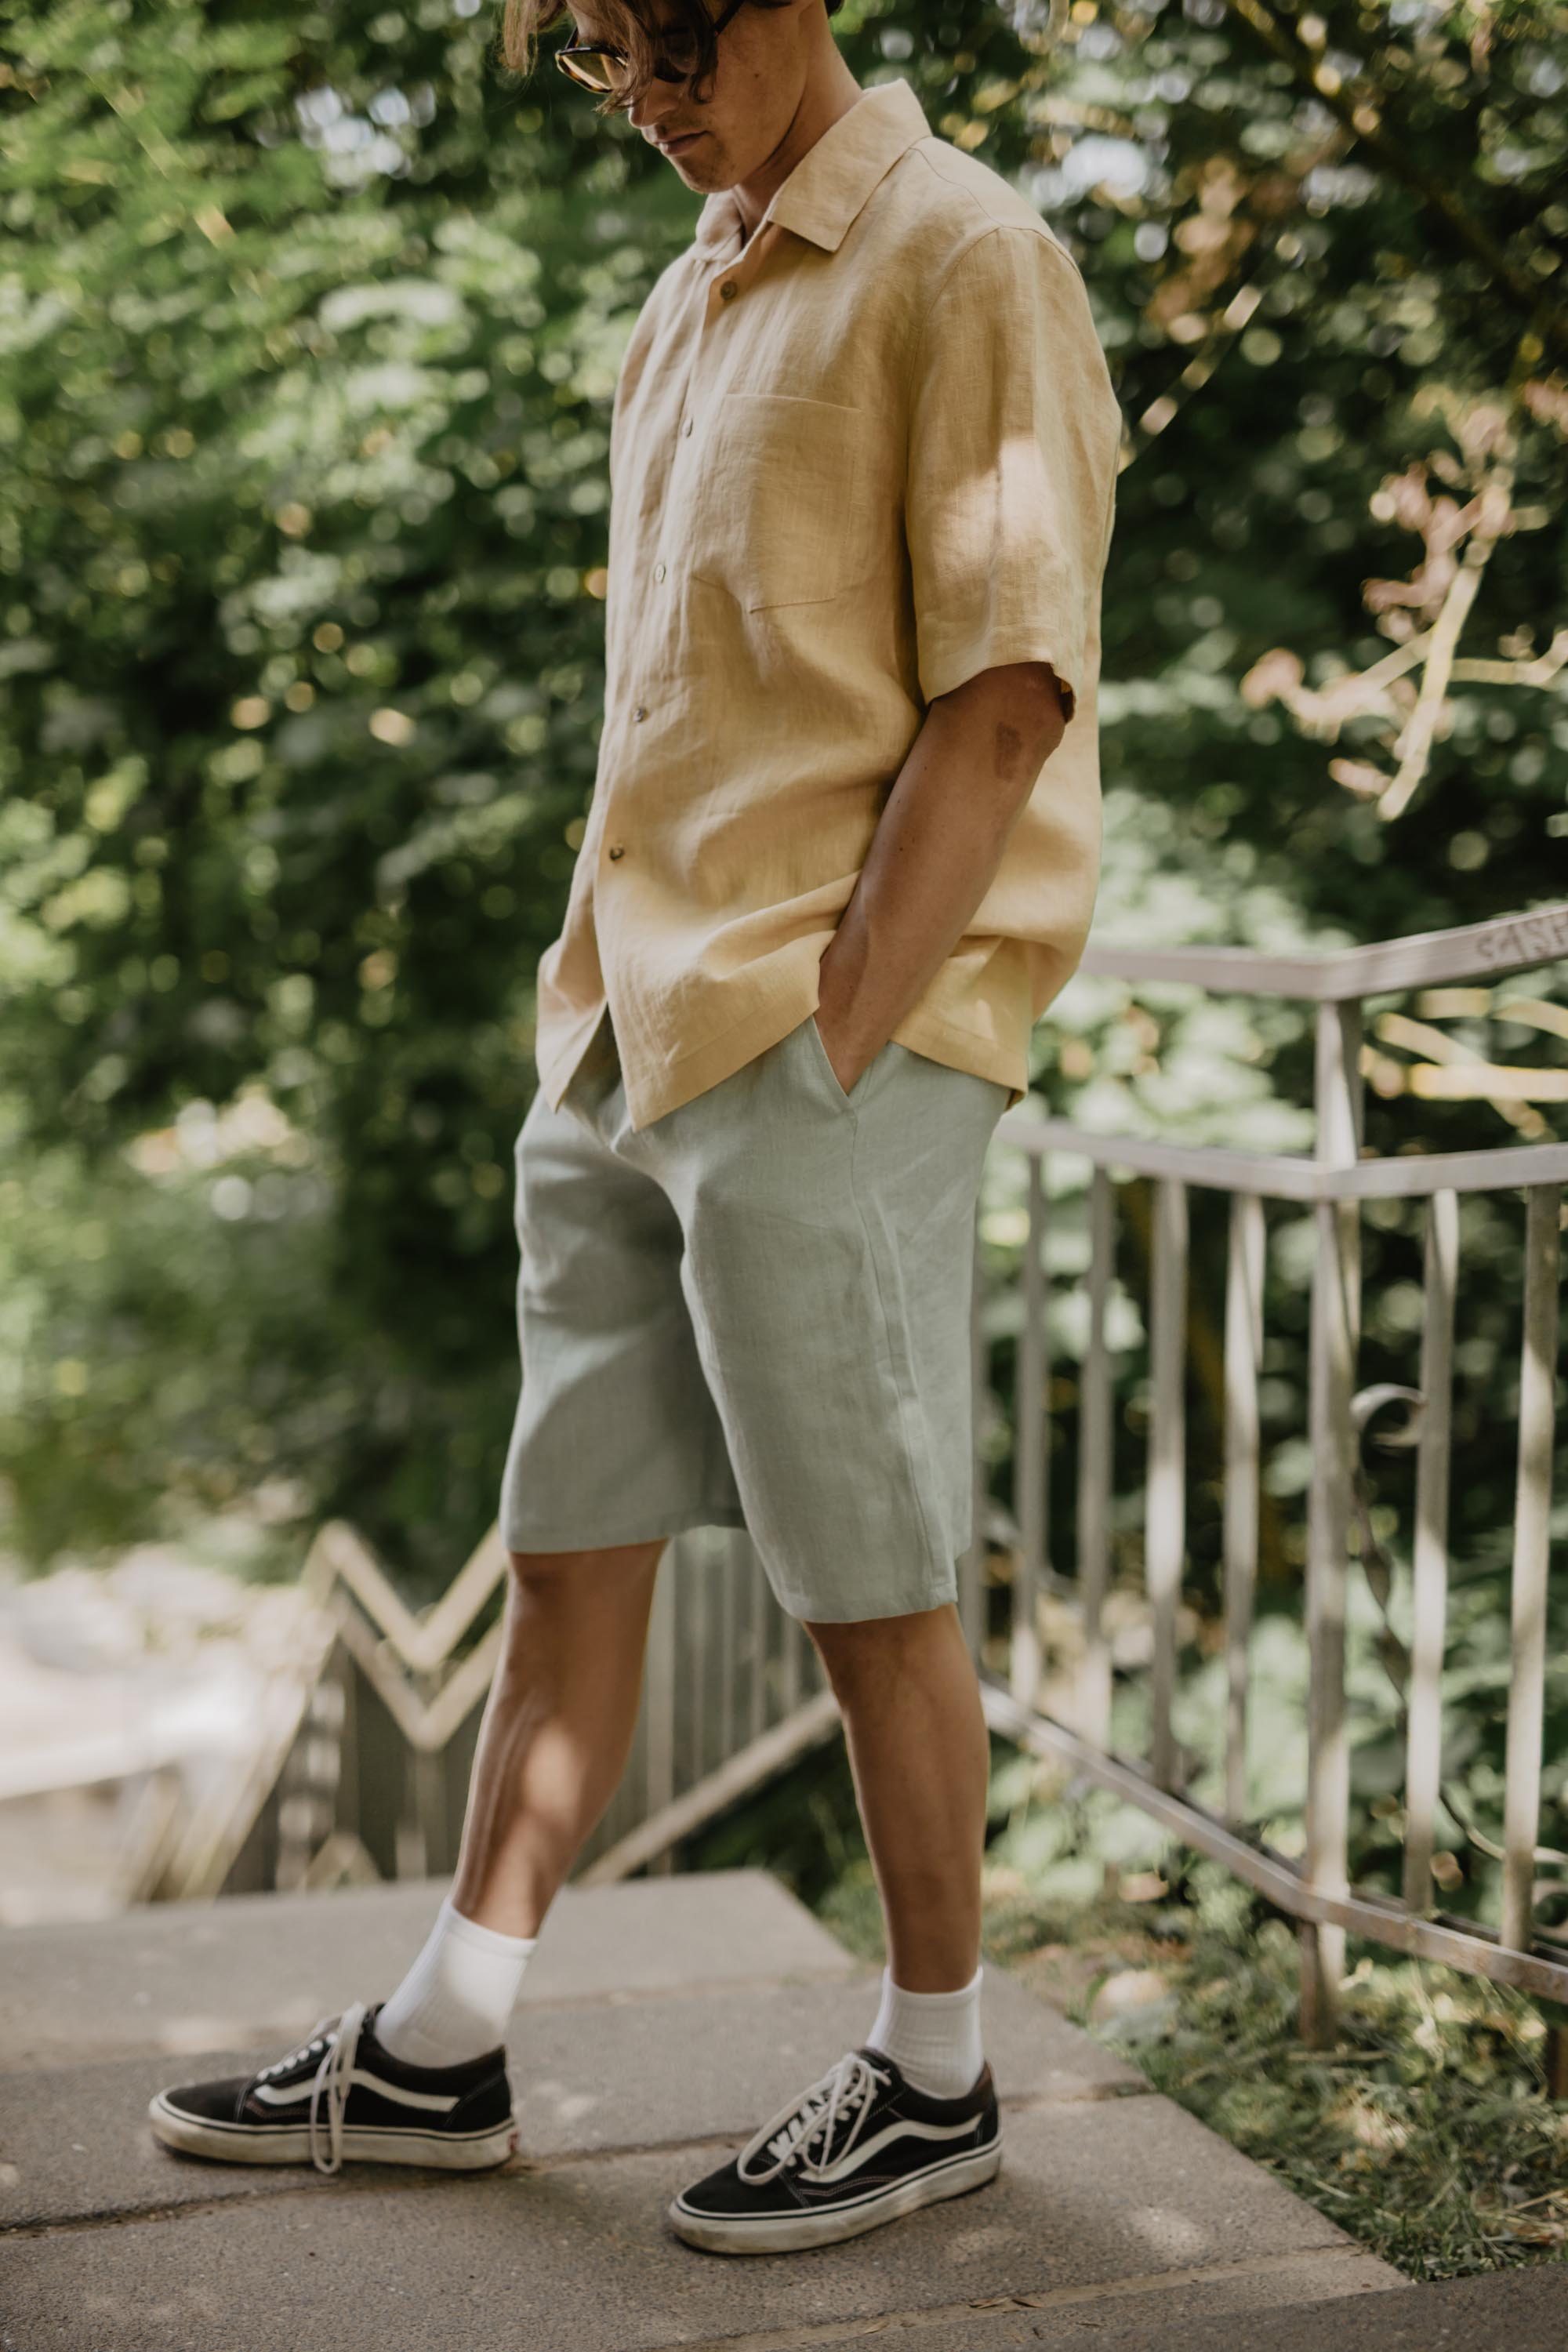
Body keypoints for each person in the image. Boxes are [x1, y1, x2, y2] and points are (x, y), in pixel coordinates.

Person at [147, 0, 1122, 2256]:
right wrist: (599, 996)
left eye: (664, 41)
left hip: (812, 1038)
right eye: (596, 57)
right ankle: (444, 2044)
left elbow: (1002, 699)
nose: (643, 97)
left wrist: (846, 1032)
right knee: (568, 1538)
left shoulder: (967, 255)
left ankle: (938, 2071)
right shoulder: (688, 293)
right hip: (625, 1024)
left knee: (866, 1572)